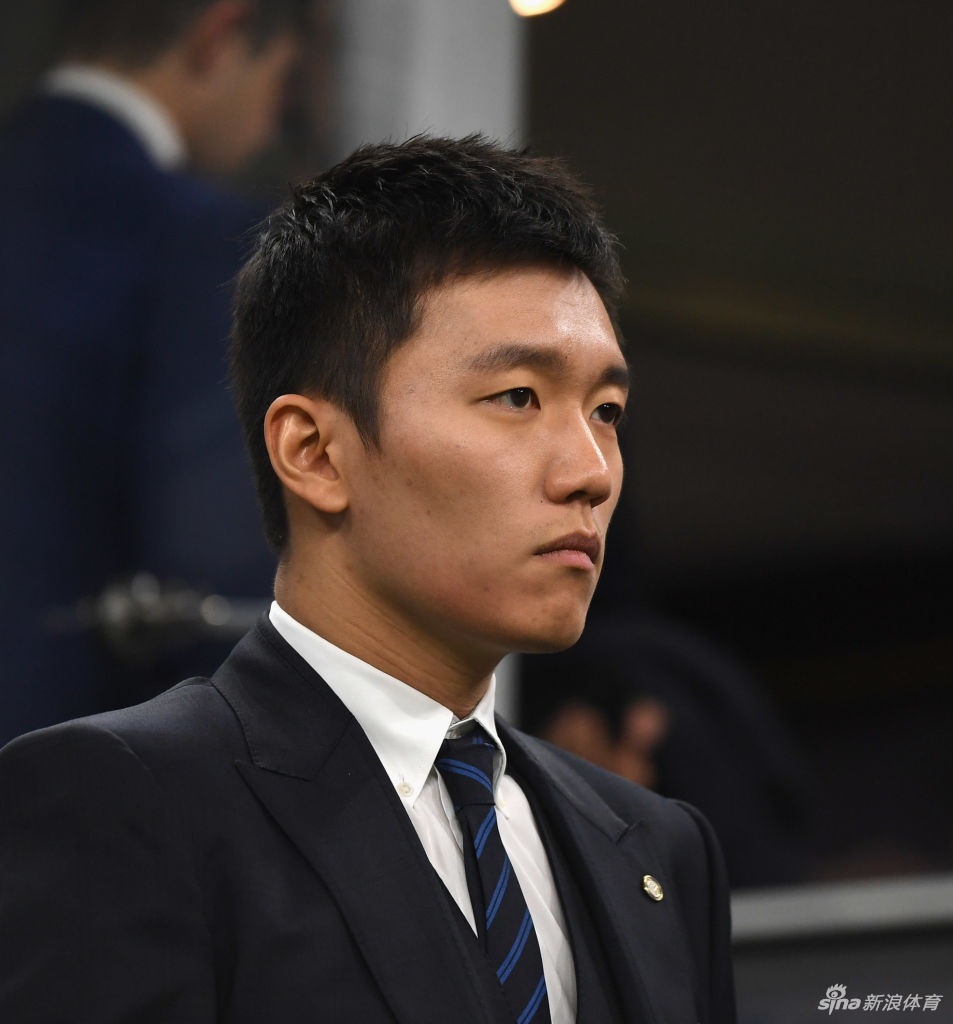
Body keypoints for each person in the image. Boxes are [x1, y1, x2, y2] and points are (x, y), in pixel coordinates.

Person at [0, 135, 737, 1023]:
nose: (591, 471)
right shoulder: (128, 799)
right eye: (516, 397)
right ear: (314, 452)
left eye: (606, 410)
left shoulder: (658, 848)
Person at [0, 0, 304, 744]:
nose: (271, 124)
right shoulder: (197, 239)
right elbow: (205, 583)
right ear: (220, 36)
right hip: (68, 756)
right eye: (282, 81)